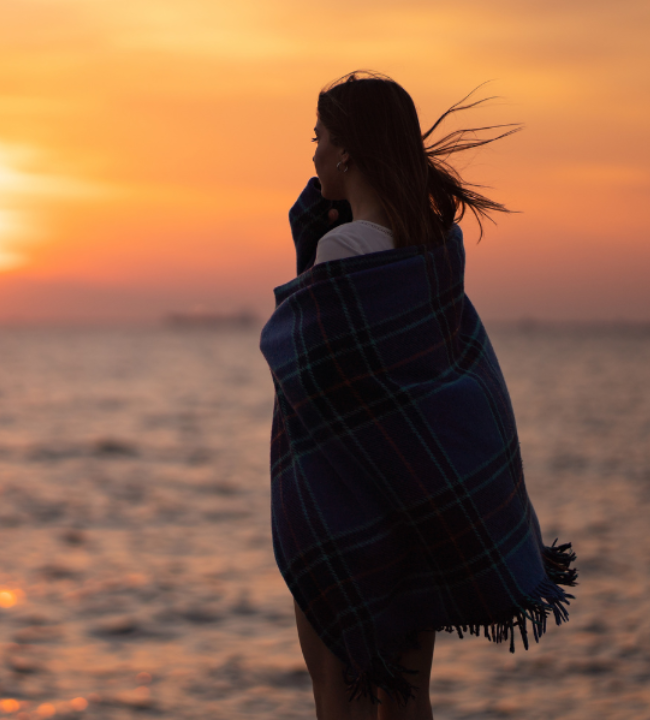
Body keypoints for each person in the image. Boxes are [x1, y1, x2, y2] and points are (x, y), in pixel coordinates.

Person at [258, 72, 577, 720]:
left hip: (350, 511)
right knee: (409, 698)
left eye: (319, 139)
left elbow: (318, 386)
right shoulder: (427, 251)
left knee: (337, 691)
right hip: (415, 512)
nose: (314, 155)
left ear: (346, 152)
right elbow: (429, 383)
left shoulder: (342, 246)